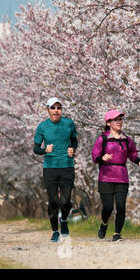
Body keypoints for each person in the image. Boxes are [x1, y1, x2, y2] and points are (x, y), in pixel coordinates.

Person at [91, 110, 140, 241]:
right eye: (116, 120)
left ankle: (117, 234)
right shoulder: (103, 139)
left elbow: (132, 154)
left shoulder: (127, 139)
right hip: (106, 176)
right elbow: (94, 156)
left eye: (121, 119)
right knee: (108, 207)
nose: (119, 122)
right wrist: (102, 157)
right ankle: (104, 224)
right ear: (108, 123)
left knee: (121, 207)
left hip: (122, 176)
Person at [33, 97, 78, 242]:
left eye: (59, 108)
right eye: (53, 108)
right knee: (53, 201)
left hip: (67, 166)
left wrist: (72, 148)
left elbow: (74, 140)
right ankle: (54, 232)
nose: (56, 110)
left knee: (65, 201)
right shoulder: (42, 127)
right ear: (48, 110)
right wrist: (45, 150)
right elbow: (35, 149)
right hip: (50, 168)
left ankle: (64, 220)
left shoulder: (69, 123)